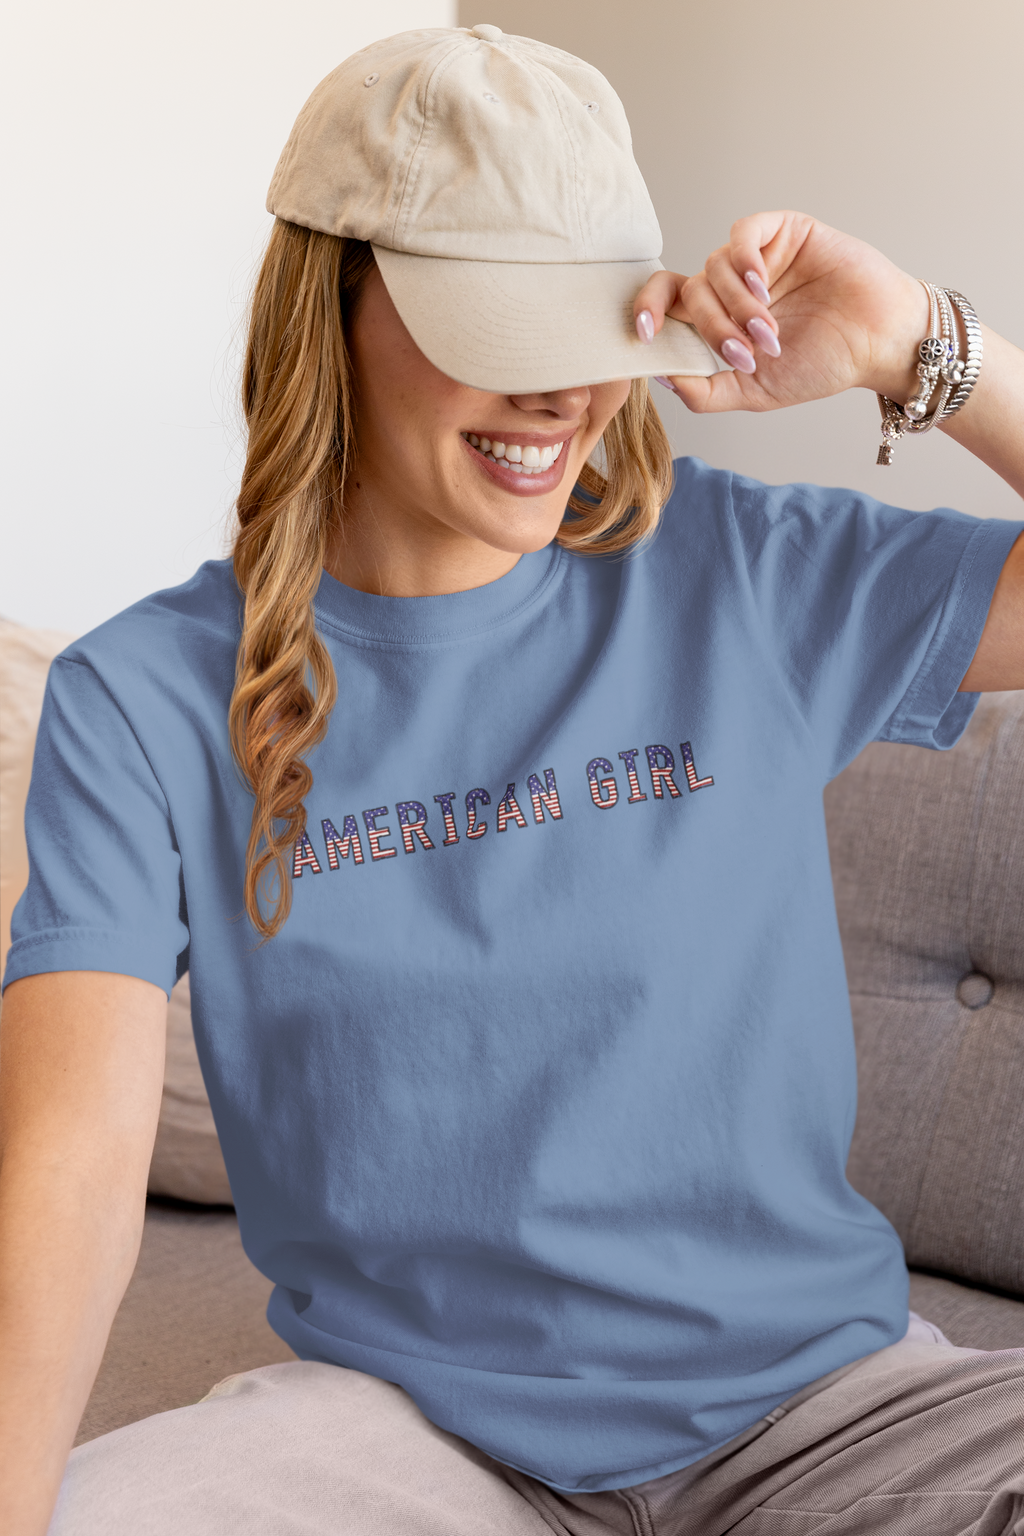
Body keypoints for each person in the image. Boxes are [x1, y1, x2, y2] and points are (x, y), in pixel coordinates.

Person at [1, 22, 1022, 1536]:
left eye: (599, 331)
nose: (565, 398)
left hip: (827, 1413)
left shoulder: (739, 576)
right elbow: (70, 1157)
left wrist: (919, 346)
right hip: (412, 1443)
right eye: (502, 332)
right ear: (329, 310)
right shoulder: (143, 700)